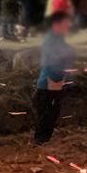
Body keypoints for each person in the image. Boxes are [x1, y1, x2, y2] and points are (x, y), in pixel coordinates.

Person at [33, 12, 75, 144]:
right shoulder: (53, 41)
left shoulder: (57, 39)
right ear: (57, 24)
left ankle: (43, 140)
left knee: (50, 114)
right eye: (66, 23)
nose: (68, 26)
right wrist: (57, 80)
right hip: (50, 83)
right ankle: (41, 142)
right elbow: (53, 62)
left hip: (53, 82)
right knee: (48, 114)